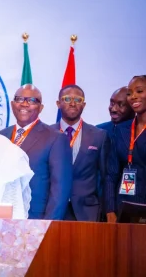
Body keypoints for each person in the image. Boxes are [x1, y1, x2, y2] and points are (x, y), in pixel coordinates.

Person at [0, 84, 72, 220]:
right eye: (20, 99)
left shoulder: (55, 138)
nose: (24, 104)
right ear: (13, 104)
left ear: (41, 108)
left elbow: (60, 189)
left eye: (32, 100)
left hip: (35, 220)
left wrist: (48, 226)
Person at [52, 85, 109, 221]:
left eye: (77, 100)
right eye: (67, 99)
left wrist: (105, 211)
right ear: (58, 103)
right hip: (54, 210)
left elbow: (105, 177)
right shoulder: (47, 134)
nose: (72, 103)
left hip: (87, 211)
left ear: (83, 104)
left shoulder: (99, 135)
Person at [106, 75, 146, 223]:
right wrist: (110, 210)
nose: (133, 97)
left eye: (139, 91)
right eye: (130, 93)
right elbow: (111, 174)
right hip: (124, 206)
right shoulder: (122, 129)